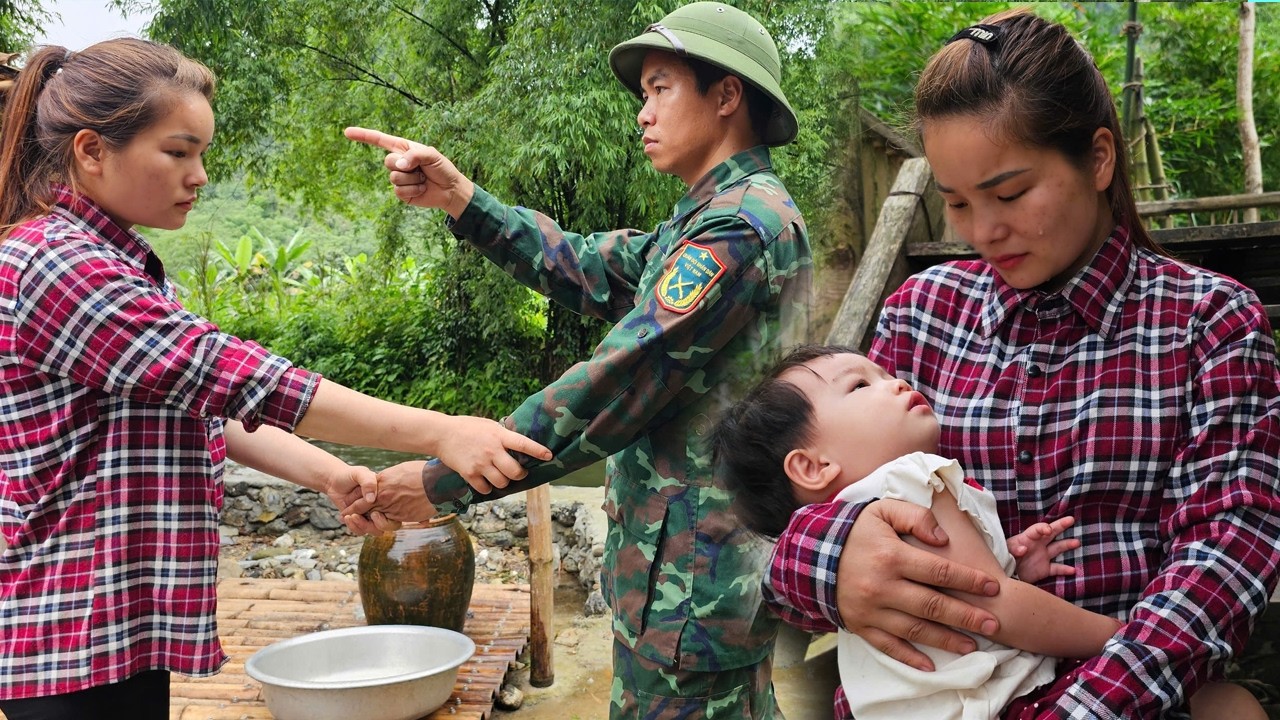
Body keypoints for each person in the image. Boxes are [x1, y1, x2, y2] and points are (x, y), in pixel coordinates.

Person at [0, 38, 550, 720]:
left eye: (201, 153)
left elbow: (197, 406)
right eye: (178, 151)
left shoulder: (111, 260)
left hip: (116, 628)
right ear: (91, 150)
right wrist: (443, 430)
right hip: (74, 628)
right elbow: (244, 378)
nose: (199, 175)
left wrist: (328, 473)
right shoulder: (60, 265)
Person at [764, 8, 1280, 719]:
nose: (984, 232)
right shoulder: (921, 313)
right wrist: (827, 566)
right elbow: (794, 506)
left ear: (1099, 158)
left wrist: (1087, 704)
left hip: (1127, 696)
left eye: (1009, 194)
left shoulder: (1206, 322)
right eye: (957, 204)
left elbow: (1226, 550)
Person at [343, 3, 812, 716]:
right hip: (681, 582)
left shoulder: (739, 227)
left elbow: (615, 380)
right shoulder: (703, 218)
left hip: (693, 589)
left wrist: (446, 479)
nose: (641, 113)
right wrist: (463, 200)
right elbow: (591, 266)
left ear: (726, 96)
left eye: (660, 88)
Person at [715, 344, 1266, 719]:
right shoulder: (910, 480)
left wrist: (1010, 563)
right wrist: (1118, 637)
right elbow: (993, 610)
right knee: (1230, 703)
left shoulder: (862, 509)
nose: (894, 380)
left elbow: (963, 589)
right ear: (812, 467)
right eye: (861, 385)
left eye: (884, 373)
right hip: (994, 706)